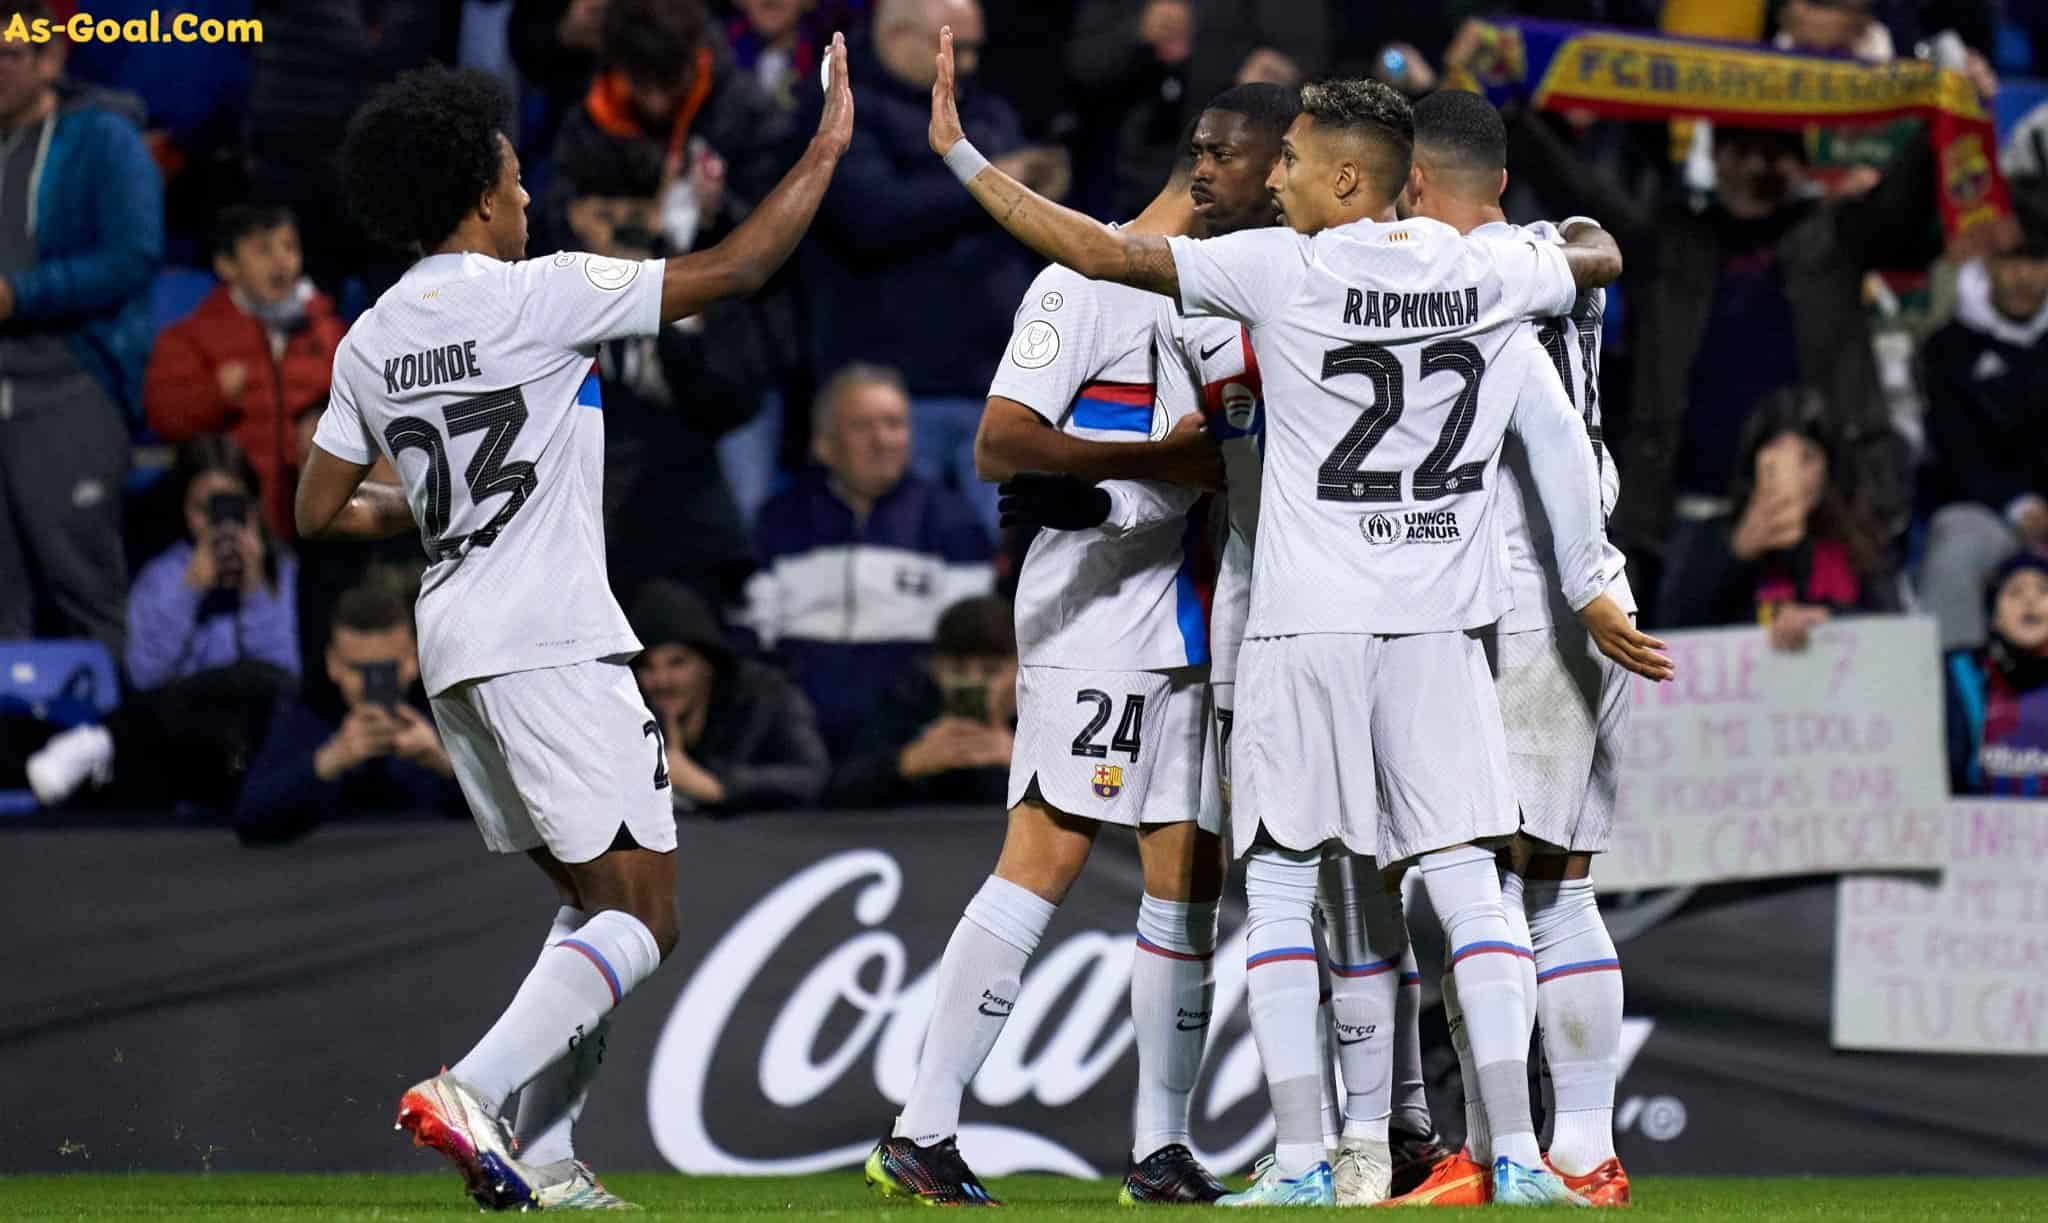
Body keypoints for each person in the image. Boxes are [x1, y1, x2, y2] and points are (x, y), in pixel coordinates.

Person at [926, 36, 1670, 1206]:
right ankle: (1522, 1154)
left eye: (1292, 160)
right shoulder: (1487, 271)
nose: (1272, 177)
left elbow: (1100, 251)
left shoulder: (1280, 269)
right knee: (1470, 883)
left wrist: (962, 155)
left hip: (1302, 626)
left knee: (1285, 886)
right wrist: (1588, 582)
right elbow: (1566, 379)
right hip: (1441, 630)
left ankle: (1309, 1156)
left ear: (1345, 176)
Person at [292, 50, 851, 1211]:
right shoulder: (541, 291)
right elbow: (741, 265)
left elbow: (315, 508)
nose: (528, 194)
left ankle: (547, 1155)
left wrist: (431, 502)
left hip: (456, 648)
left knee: (599, 905)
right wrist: (823, 148)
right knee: (647, 916)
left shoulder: (369, 338)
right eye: (512, 177)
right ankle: (472, 1088)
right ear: (477, 196)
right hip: (550, 636)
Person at [863, 85, 1263, 1210]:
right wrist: (1141, 467)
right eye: (1274, 170)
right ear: (1215, 165)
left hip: (1196, 614)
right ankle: (921, 1127)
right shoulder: (1081, 281)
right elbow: (1001, 443)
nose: (1285, 198)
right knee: (1045, 852)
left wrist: (1164, 473)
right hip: (1094, 612)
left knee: (1188, 876)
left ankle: (1159, 1148)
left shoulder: (1230, 295)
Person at [1388, 88, 1639, 1209]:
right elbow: (1598, 243)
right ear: (1497, 179)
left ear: (1411, 183)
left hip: (1516, 595)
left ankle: (1502, 1151)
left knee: (1477, 881)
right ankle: (1578, 1149)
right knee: (1556, 885)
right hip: (1588, 588)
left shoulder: (1453, 274)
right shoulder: (1548, 250)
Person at [1497, 76, 1943, 625]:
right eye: (1743, 148)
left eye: (1775, 151)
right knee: (1679, 658)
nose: (1759, 164)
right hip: (1685, 510)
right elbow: (1581, 195)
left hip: (1824, 504)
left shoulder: (1836, 235)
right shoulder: (1668, 242)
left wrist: (1941, 122)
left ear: (1801, 163)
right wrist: (1514, 114)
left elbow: (1903, 206)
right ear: (1717, 155)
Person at [809, 0, 1059, 532]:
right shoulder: (845, 113)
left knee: (999, 559)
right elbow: (870, 216)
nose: (967, 64)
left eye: (973, 50)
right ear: (897, 37)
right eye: (952, 49)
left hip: (993, 385)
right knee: (895, 556)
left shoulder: (989, 113)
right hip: (897, 397)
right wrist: (989, 181)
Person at [0, 0, 161, 656]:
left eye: (9, 54)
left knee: (85, 587)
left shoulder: (104, 140)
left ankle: (116, 717)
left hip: (72, 380)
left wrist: (19, 295)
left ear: (51, 59)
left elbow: (133, 255)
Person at [744, 362, 994, 754]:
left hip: (910, 729)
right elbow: (756, 630)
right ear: (824, 445)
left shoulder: (953, 518)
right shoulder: (780, 519)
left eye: (894, 424)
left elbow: (966, 643)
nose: (883, 440)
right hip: (802, 729)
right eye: (862, 427)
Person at [144, 205, 347, 541]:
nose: (281, 262)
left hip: (319, 523)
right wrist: (215, 395)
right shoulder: (193, 338)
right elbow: (164, 415)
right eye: (263, 250)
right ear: (227, 265)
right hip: (239, 524)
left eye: (289, 247)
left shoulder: (328, 332)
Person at [1916, 176, 2048, 652]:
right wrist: (2019, 507)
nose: (2024, 277)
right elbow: (1955, 449)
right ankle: (1957, 683)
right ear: (1987, 262)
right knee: (1955, 553)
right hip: (1985, 511)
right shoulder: (1947, 349)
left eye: (2037, 261)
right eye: (2011, 261)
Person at [1665, 386, 1901, 649]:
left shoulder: (1860, 541)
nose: (1792, 474)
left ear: (1828, 469)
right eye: (1775, 455)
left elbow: (1897, 632)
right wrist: (1735, 555)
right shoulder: (1714, 536)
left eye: (1807, 458)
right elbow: (1675, 630)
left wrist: (1829, 620)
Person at [232, 583, 466, 844]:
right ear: (333, 664)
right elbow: (249, 817)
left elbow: (501, 810)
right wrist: (332, 758)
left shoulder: (450, 714)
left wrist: (440, 760)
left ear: (413, 660)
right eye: (358, 670)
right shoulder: (305, 718)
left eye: (386, 669)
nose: (372, 684)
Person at [628, 579, 829, 813]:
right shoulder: (629, 705)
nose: (662, 681)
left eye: (677, 663)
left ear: (709, 664)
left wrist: (717, 786)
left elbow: (811, 776)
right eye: (647, 667)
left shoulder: (767, 695)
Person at [125, 436, 300, 692]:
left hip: (255, 708)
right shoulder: (160, 578)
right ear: (184, 509)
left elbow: (285, 677)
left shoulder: (281, 571)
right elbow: (144, 677)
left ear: (252, 507)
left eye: (231, 507)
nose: (217, 525)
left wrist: (256, 590)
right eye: (204, 509)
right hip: (184, 710)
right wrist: (189, 590)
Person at [826, 594, 1017, 809]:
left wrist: (1023, 766)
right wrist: (906, 762)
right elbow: (835, 791)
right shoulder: (908, 704)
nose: (972, 682)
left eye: (991, 671)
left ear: (1021, 668)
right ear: (935, 668)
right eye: (957, 670)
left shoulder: (1040, 716)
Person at [1945, 553, 2048, 797]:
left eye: (2043, 591)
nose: (2030, 600)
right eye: (2015, 592)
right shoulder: (1960, 672)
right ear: (1995, 617)